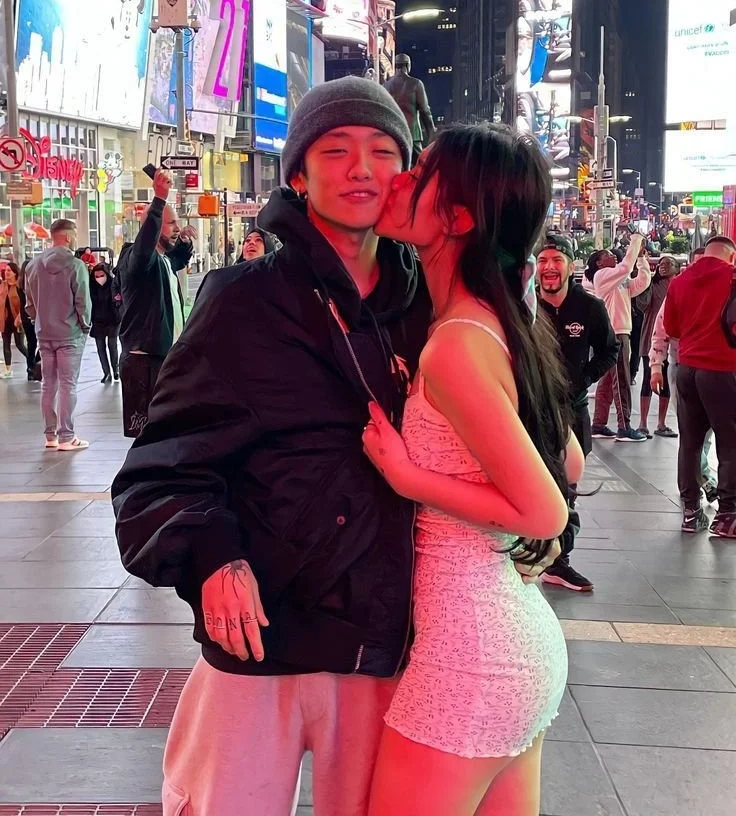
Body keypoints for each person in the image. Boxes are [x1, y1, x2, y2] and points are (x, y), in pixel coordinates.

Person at [111, 77, 558, 816]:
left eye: (384, 151)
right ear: (296, 173)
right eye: (336, 149)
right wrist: (212, 555)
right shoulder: (243, 301)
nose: (361, 169)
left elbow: (541, 456)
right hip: (265, 640)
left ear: (410, 177)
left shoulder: (431, 306)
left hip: (385, 645)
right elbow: (160, 470)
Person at [362, 124, 582, 815]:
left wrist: (408, 476)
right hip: (509, 637)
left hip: (472, 653)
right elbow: (569, 455)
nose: (399, 176)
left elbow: (546, 510)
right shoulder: (496, 321)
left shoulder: (457, 344)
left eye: (419, 169)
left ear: (456, 217)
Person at [538, 235, 619, 592]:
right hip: (528, 412)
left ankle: (559, 561)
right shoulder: (522, 305)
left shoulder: (589, 308)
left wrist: (581, 380)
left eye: (556, 260)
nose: (549, 267)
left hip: (572, 413)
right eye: (543, 261)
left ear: (571, 266)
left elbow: (609, 351)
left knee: (567, 487)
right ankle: (525, 554)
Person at [663, 235, 736, 536]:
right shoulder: (732, 277)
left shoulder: (679, 281)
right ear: (731, 257)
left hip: (687, 370)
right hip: (723, 369)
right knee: (730, 443)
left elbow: (672, 328)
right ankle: (728, 515)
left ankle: (691, 512)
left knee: (690, 443)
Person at [117, 174, 196, 437]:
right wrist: (159, 200)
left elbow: (176, 260)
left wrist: (184, 244)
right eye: (171, 223)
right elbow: (143, 250)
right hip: (144, 361)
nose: (177, 227)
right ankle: (140, 478)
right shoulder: (135, 258)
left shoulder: (162, 261)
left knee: (166, 429)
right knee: (146, 434)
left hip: (163, 357)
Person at [649, 249, 717, 506]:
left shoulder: (723, 291)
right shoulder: (680, 290)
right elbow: (661, 328)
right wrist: (656, 366)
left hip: (713, 370)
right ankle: (702, 482)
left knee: (708, 431)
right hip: (682, 367)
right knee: (692, 431)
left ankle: (700, 481)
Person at [25, 219, 91, 451]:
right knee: (67, 385)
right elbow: (83, 301)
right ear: (68, 237)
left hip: (44, 334)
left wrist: (39, 321)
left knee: (48, 385)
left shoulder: (33, 265)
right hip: (69, 334)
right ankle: (67, 436)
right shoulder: (75, 265)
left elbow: (29, 304)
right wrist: (85, 325)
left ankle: (50, 435)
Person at [584, 235, 651, 442]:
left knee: (607, 380)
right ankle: (625, 426)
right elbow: (624, 267)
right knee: (621, 379)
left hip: (619, 330)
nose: (613, 256)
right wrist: (636, 240)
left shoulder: (617, 280)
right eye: (607, 255)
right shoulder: (603, 275)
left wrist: (641, 259)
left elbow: (641, 283)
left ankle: (599, 423)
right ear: (598, 263)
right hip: (615, 332)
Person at [637, 255, 678, 438]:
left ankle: (661, 423)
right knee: (648, 378)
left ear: (676, 268)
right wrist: (645, 284)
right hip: (651, 337)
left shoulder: (680, 286)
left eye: (668, 264)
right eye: (660, 264)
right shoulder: (653, 286)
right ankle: (643, 422)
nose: (663, 266)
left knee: (667, 381)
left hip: (674, 341)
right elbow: (642, 305)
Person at [384, 54, 436, 163]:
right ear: (408, 65)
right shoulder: (416, 84)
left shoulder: (386, 86)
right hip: (412, 133)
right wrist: (431, 131)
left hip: (393, 132)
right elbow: (425, 111)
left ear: (395, 66)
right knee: (422, 165)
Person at [90, 262, 121, 383]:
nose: (99, 279)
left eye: (101, 275)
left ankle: (116, 370)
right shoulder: (92, 287)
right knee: (100, 347)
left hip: (113, 320)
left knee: (112, 346)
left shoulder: (113, 285)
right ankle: (106, 372)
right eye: (96, 276)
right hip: (98, 321)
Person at [0, 262, 28, 379]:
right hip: (4, 320)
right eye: (5, 271)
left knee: (19, 344)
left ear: (15, 273)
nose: (6, 273)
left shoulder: (19, 287)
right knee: (5, 345)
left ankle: (33, 361)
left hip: (17, 320)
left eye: (9, 271)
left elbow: (24, 304)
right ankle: (8, 369)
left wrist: (20, 317)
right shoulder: (2, 285)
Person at [18, 259, 40, 381]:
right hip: (34, 316)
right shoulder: (32, 284)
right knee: (40, 343)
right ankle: (33, 364)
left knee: (31, 343)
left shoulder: (19, 285)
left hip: (25, 316)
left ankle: (30, 368)